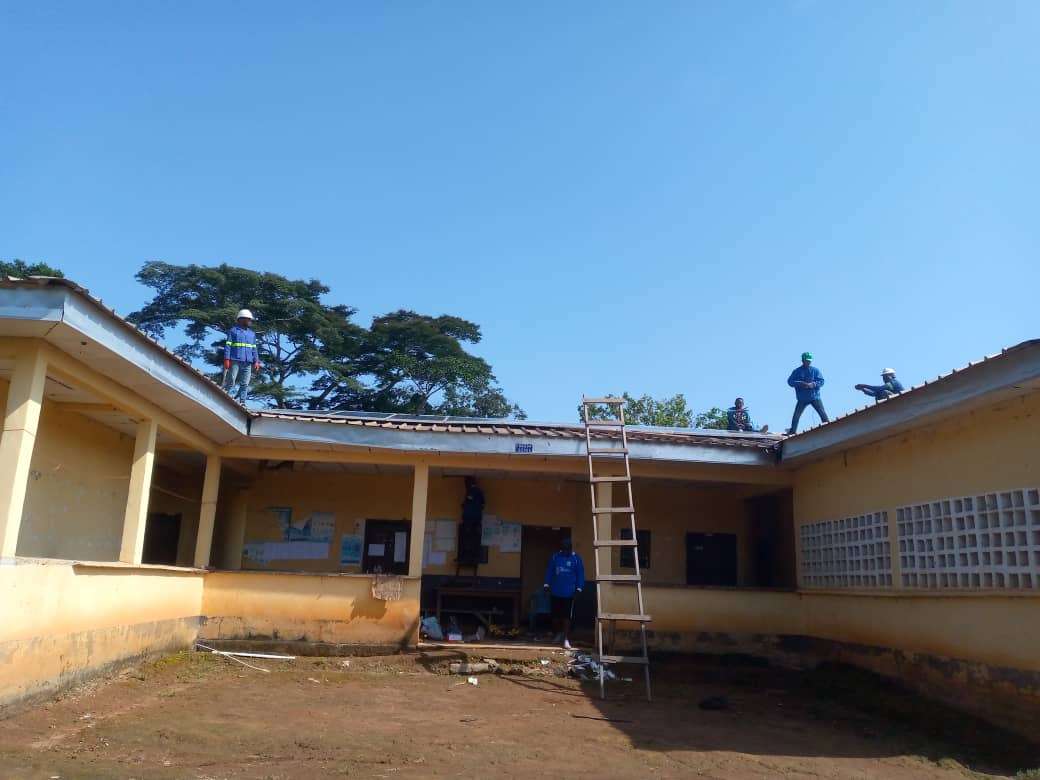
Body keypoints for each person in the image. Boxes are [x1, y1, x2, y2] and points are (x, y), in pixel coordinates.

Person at [543, 538, 584, 650]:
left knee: (566, 617)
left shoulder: (576, 559)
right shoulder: (555, 557)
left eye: (567, 549)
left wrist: (579, 589)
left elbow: (580, 575)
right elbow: (549, 571)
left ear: (570, 548)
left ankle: (566, 639)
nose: (565, 551)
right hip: (555, 592)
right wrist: (546, 584)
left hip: (569, 593)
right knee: (555, 617)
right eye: (563, 549)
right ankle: (558, 633)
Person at [222, 308, 260, 403]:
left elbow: (254, 348)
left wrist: (256, 361)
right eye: (249, 319)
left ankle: (242, 402)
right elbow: (228, 346)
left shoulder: (252, 334)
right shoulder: (233, 331)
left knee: (245, 384)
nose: (250, 321)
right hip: (235, 360)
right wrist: (227, 359)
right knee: (231, 381)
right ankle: (223, 397)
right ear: (242, 319)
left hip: (248, 362)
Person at [787, 351, 829, 434]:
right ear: (803, 360)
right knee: (796, 415)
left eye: (809, 361)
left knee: (822, 413)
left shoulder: (815, 370)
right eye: (807, 361)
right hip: (802, 398)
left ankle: (828, 427)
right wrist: (801, 383)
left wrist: (814, 384)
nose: (808, 362)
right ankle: (792, 431)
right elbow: (790, 382)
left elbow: (821, 381)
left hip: (814, 397)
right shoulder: (797, 371)